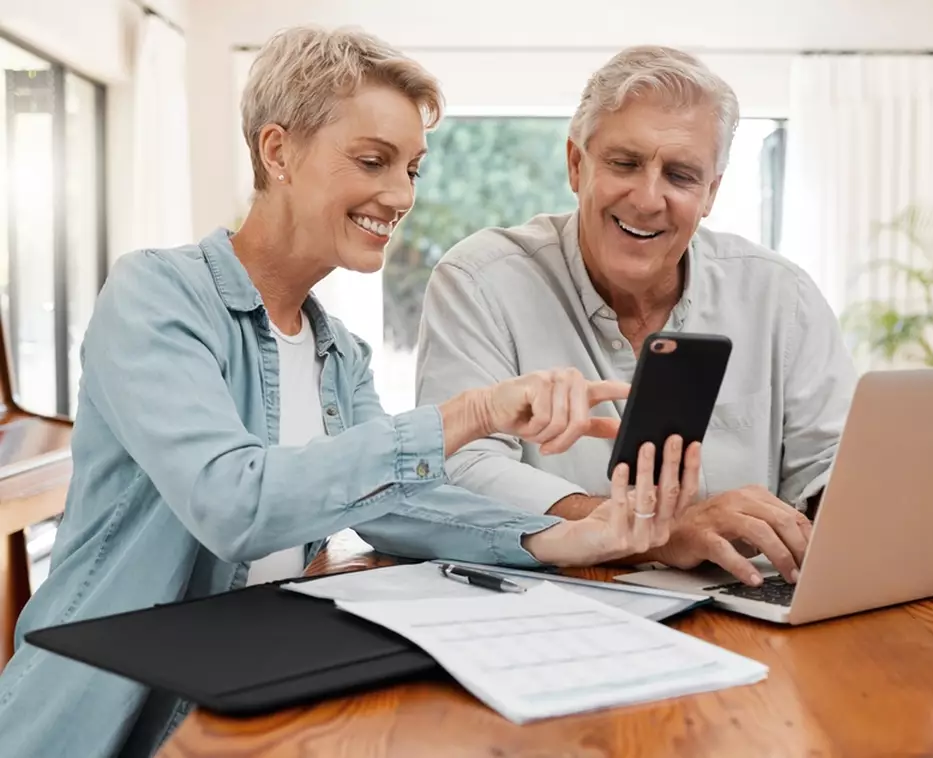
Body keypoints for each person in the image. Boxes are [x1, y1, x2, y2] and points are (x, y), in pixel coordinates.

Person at [0, 27, 704, 758]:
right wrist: (471, 414)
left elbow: (397, 506)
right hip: (102, 723)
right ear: (278, 153)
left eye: (412, 169)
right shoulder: (156, 296)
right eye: (373, 161)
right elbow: (233, 504)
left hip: (238, 700)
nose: (399, 195)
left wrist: (576, 536)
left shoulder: (339, 351)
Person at [415, 45, 859, 589]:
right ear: (576, 165)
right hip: (552, 610)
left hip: (746, 604)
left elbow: (836, 461)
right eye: (625, 164)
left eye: (681, 175)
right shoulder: (482, 281)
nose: (649, 199)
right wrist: (650, 532)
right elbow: (454, 470)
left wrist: (844, 502)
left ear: (711, 193)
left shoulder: (780, 295)